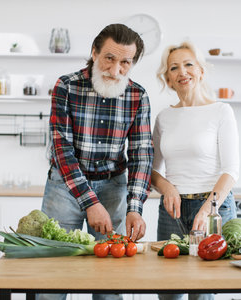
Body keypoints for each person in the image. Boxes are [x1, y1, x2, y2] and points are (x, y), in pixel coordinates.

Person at [40, 24, 153, 300]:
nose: (116, 70)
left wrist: (135, 207)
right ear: (94, 53)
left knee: (110, 283)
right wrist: (90, 202)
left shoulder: (138, 96)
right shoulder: (66, 86)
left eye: (125, 62)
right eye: (109, 58)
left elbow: (141, 154)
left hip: (113, 187)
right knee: (52, 278)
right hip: (64, 186)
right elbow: (61, 150)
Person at [152, 41, 240, 300]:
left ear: (200, 70)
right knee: (168, 291)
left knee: (202, 293)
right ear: (168, 78)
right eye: (174, 68)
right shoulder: (163, 118)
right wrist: (167, 187)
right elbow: (153, 170)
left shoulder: (221, 111)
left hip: (213, 208)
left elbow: (231, 170)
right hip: (173, 211)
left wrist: (208, 208)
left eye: (189, 64)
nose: (182, 72)